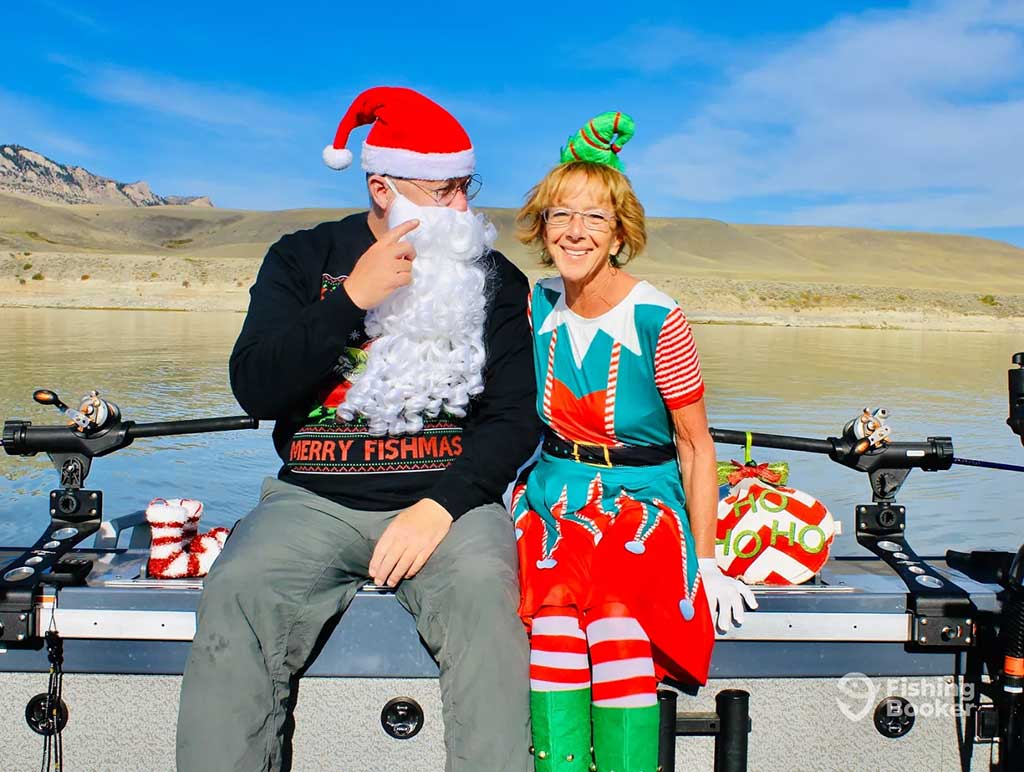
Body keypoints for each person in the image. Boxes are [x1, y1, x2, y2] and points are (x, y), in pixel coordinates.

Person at [176, 86, 540, 772]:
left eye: (467, 187)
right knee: (238, 591)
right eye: (444, 191)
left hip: (449, 505)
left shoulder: (494, 278)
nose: (463, 208)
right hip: (312, 502)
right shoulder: (301, 258)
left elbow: (516, 417)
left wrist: (441, 506)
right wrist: (353, 299)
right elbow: (255, 386)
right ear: (381, 186)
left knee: (491, 606)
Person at [511, 112, 758, 772]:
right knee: (555, 628)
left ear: (619, 232)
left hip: (643, 503)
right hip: (557, 500)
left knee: (618, 623)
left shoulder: (657, 316)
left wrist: (706, 562)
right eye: (560, 215)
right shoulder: (534, 305)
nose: (575, 231)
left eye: (594, 217)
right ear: (541, 227)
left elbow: (697, 445)